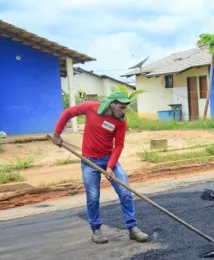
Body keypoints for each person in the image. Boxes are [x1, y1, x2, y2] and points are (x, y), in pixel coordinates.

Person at [51, 90, 148, 244]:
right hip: (89, 161)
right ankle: (96, 230)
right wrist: (57, 133)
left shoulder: (120, 121)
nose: (123, 111)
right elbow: (68, 113)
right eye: (121, 107)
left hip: (110, 159)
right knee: (93, 197)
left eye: (125, 108)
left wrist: (110, 166)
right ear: (112, 104)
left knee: (125, 192)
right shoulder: (90, 108)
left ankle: (132, 228)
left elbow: (119, 145)